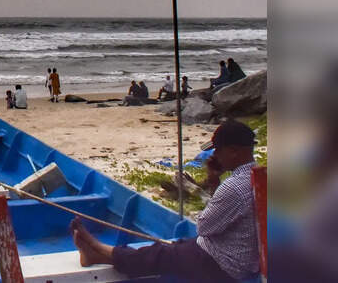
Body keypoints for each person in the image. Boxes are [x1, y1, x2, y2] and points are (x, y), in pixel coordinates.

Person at [70, 119, 259, 281]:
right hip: (239, 257)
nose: (214, 155)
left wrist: (215, 186)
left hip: (224, 264)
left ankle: (97, 249)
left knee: (160, 254)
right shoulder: (257, 175)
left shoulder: (233, 187)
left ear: (234, 151)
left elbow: (203, 227)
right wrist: (214, 180)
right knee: (178, 247)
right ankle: (101, 255)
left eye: (217, 151)